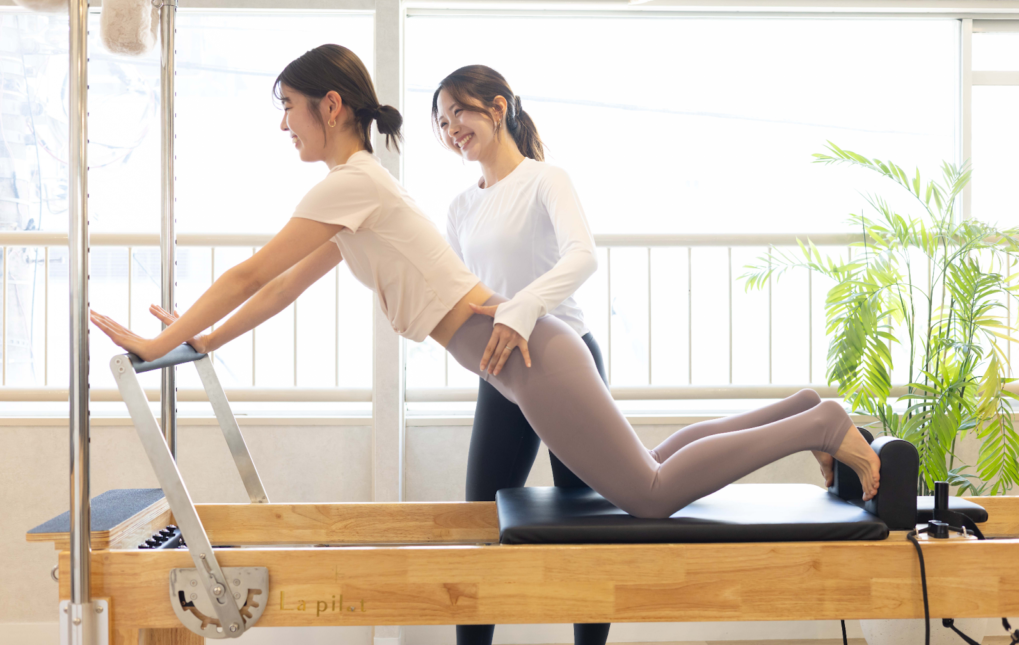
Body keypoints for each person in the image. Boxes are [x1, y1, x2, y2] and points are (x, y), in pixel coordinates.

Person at [91, 43, 881, 534]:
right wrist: (200, 341)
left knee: (647, 494)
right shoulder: (359, 193)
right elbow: (278, 290)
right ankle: (801, 407)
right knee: (650, 466)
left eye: (289, 109)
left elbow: (249, 272)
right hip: (524, 360)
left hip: (534, 356)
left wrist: (160, 341)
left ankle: (818, 425)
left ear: (330, 106)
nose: (284, 125)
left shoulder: (352, 184)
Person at [435, 64, 609, 645]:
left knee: (586, 524)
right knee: (481, 524)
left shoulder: (545, 180)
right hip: (502, 372)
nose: (451, 129)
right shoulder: (461, 207)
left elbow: (582, 257)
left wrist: (523, 307)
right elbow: (459, 292)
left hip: (567, 362)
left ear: (498, 107)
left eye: (460, 112)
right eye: (443, 122)